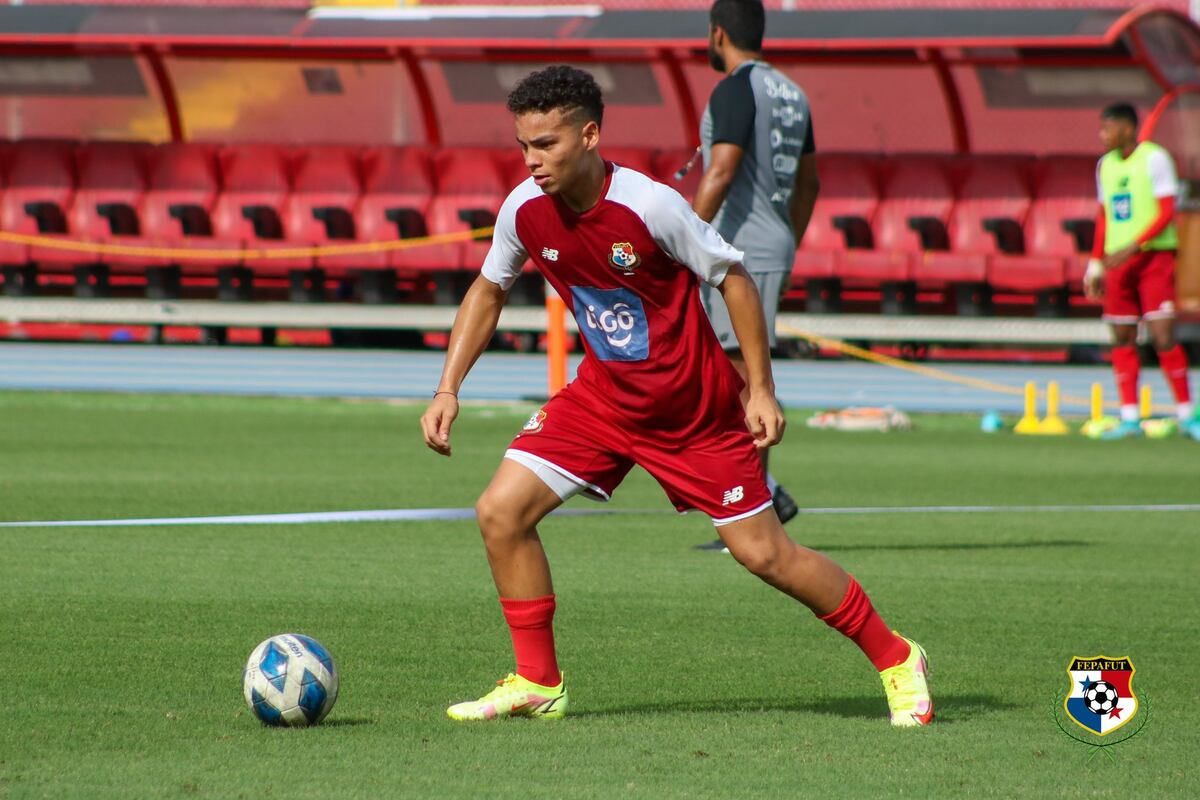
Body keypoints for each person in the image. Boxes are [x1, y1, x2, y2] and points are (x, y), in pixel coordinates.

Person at [420, 66, 932, 727]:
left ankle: (897, 657)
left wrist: (761, 390)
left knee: (764, 555)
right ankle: (537, 681)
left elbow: (735, 279)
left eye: (546, 144)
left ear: (590, 135)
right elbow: (488, 290)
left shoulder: (652, 206)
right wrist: (448, 388)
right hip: (603, 400)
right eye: (523, 145)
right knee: (500, 512)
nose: (531, 160)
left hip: (693, 415)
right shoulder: (523, 209)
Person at [693, 0, 820, 538]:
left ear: (718, 33)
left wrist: (682, 237)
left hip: (739, 249)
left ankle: (758, 515)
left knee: (744, 380)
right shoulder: (793, 93)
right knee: (735, 377)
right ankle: (763, 497)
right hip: (770, 245)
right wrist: (786, 241)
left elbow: (721, 171)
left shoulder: (735, 87)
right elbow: (809, 184)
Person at [1083, 103, 1199, 440]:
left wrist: (1133, 246)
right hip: (1117, 263)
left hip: (1153, 260)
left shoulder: (1155, 158)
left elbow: (1166, 211)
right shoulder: (1105, 165)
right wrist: (1095, 263)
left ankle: (1188, 415)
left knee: (1163, 336)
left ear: (1128, 128)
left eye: (1108, 128)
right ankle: (1130, 418)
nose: (1102, 135)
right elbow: (1104, 215)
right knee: (1121, 337)